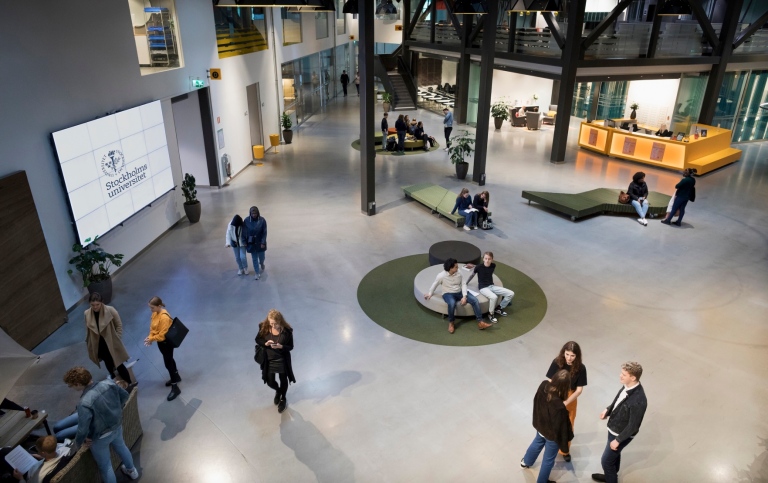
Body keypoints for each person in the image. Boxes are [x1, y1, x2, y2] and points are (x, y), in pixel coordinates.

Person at [63, 367, 139, 482]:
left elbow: (82, 429)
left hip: (99, 438)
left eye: (71, 385)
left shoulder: (84, 403)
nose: (71, 388)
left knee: (106, 466)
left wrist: (79, 443)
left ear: (78, 384)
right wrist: (117, 411)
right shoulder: (109, 383)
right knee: (122, 447)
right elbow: (125, 395)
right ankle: (132, 471)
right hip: (117, 426)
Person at [591, 362, 647, 483]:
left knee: (606, 461)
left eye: (624, 374)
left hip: (620, 434)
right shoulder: (627, 385)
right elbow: (618, 399)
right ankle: (610, 475)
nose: (620, 376)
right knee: (614, 456)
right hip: (614, 429)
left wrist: (618, 440)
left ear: (633, 377)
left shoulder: (639, 400)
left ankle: (610, 478)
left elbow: (633, 426)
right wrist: (608, 409)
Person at [520, 369, 574, 483]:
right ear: (566, 387)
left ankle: (526, 462)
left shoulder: (543, 385)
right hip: (552, 436)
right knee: (548, 460)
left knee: (537, 442)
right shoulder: (560, 407)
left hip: (540, 426)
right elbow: (562, 428)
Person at [424, 258, 491, 334]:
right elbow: (435, 284)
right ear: (450, 268)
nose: (457, 268)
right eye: (456, 267)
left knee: (475, 300)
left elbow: (463, 284)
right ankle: (451, 322)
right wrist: (430, 293)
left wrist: (464, 296)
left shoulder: (459, 272)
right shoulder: (441, 275)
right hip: (448, 293)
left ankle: (480, 322)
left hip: (459, 292)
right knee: (452, 303)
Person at [546, 341, 587, 462]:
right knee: (552, 423)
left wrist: (566, 402)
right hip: (556, 393)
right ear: (563, 352)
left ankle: (565, 450)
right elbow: (550, 381)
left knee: (568, 425)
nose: (569, 358)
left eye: (572, 355)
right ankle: (550, 447)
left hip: (570, 397)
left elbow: (579, 390)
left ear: (577, 356)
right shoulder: (557, 362)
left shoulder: (581, 368)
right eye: (567, 354)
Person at [84, 293, 132, 385]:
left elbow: (119, 325)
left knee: (119, 364)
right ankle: (117, 384)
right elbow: (88, 329)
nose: (95, 307)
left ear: (102, 302)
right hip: (99, 344)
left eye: (97, 304)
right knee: (108, 364)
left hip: (111, 342)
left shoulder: (110, 310)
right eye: (92, 305)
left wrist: (117, 339)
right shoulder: (87, 313)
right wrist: (89, 342)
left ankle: (129, 383)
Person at [255, 309, 295, 413]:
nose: (272, 325)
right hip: (269, 359)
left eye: (275, 323)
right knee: (270, 381)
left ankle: (283, 398)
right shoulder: (264, 326)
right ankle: (278, 391)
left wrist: (281, 346)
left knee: (283, 379)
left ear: (280, 321)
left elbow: (290, 347)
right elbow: (257, 339)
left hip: (281, 359)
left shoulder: (287, 331)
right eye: (270, 323)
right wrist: (266, 343)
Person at [143, 296, 181, 401]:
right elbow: (153, 328)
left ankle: (175, 386)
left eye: (152, 308)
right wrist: (150, 337)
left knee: (168, 363)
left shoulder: (164, 317)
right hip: (161, 343)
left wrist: (151, 339)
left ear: (159, 306)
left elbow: (162, 335)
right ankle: (176, 376)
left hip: (166, 343)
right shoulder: (155, 313)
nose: (151, 310)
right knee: (169, 360)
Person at [465, 252, 514, 323]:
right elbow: (472, 275)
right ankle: (491, 314)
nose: (487, 260)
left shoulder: (493, 266)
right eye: (486, 258)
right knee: (494, 297)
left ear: (492, 259)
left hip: (492, 286)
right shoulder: (478, 267)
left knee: (511, 293)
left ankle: (499, 308)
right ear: (483, 259)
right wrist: (466, 283)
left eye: (489, 259)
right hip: (483, 288)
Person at [244, 206, 267, 280]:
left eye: (255, 213)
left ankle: (262, 263)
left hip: (260, 243)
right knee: (254, 259)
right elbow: (244, 232)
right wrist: (245, 241)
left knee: (261, 257)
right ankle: (257, 273)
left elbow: (264, 232)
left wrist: (263, 242)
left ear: (258, 213)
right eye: (252, 213)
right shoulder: (246, 220)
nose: (254, 215)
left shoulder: (262, 220)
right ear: (250, 213)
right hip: (251, 243)